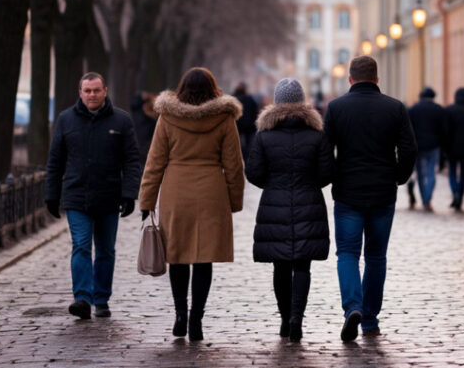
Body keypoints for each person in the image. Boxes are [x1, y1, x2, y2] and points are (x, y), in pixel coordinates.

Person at [138, 67, 245, 342]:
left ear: (182, 88)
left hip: (176, 192)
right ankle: (197, 317)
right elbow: (233, 165)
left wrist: (147, 200)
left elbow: (155, 161)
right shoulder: (223, 118)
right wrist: (234, 201)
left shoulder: (168, 117)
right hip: (212, 192)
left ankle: (180, 314)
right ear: (213, 89)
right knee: (203, 256)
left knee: (177, 254)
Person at [323, 55, 417, 341]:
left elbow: (325, 151)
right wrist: (398, 176)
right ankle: (370, 318)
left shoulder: (336, 108)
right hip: (382, 192)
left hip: (348, 193)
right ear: (377, 79)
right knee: (376, 256)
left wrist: (333, 177)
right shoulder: (395, 108)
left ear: (350, 79)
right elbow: (409, 149)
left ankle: (353, 306)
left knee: (348, 253)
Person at [44, 72, 142, 320]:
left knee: (106, 250)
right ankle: (83, 298)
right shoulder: (66, 120)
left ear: (105, 91)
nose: (92, 95)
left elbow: (132, 160)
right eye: (87, 90)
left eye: (96, 90)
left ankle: (101, 298)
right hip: (76, 196)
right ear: (80, 92)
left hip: (109, 197)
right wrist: (51, 196)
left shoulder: (121, 121)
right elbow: (55, 161)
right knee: (81, 246)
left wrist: (130, 194)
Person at [246, 78, 333, 342]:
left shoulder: (264, 135)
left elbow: (253, 172)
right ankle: (297, 317)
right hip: (309, 202)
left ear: (277, 101)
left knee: (280, 266)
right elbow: (327, 172)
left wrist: (273, 184)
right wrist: (308, 184)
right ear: (302, 101)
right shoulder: (317, 134)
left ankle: (285, 319)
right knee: (303, 266)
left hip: (275, 204)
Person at [407, 87, 447, 212]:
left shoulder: (414, 109)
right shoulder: (439, 109)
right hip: (434, 146)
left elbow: (409, 128)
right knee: (431, 173)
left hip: (418, 146)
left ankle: (424, 197)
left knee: (420, 173)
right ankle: (427, 199)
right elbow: (444, 130)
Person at [129, 91, 157, 167]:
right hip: (139, 148)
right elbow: (133, 105)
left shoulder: (156, 119)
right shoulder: (139, 112)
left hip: (147, 150)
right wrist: (141, 97)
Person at [233, 82, 259, 161]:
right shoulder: (250, 99)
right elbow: (255, 113)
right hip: (249, 129)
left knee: (237, 148)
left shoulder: (232, 99)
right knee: (248, 149)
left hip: (236, 128)